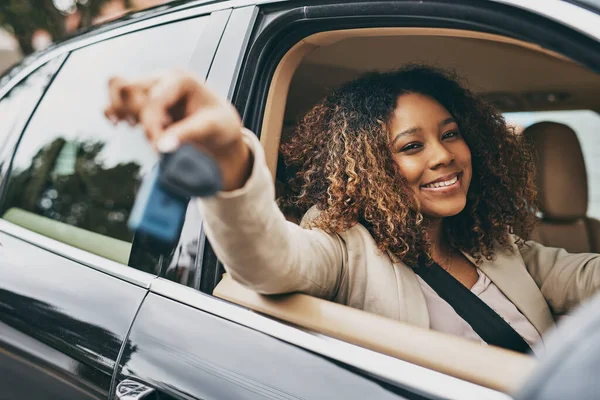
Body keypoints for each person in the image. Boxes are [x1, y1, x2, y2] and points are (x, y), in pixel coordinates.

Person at [105, 65, 600, 351]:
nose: (443, 155)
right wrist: (232, 157)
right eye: (411, 146)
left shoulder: (497, 245)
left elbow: (584, 278)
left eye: (450, 134)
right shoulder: (345, 250)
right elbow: (271, 259)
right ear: (373, 167)